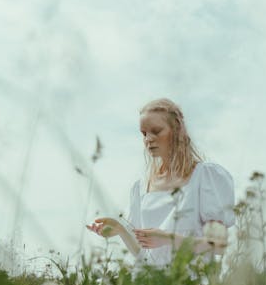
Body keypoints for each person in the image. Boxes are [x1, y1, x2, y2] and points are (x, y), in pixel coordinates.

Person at [87, 98, 235, 274]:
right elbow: (144, 255)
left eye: (156, 131)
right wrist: (120, 229)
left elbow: (218, 246)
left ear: (177, 130)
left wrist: (167, 239)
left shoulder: (205, 176)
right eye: (144, 133)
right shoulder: (141, 187)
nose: (149, 139)